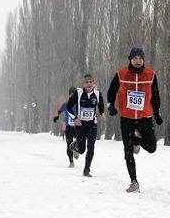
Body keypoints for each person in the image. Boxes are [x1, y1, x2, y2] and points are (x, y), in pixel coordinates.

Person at [107, 46, 163, 193]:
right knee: (127, 151)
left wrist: (157, 114)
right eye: (135, 58)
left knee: (152, 147)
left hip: (145, 116)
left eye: (140, 58)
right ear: (130, 59)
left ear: (143, 59)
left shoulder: (150, 74)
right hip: (127, 117)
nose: (138, 61)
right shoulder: (121, 74)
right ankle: (134, 181)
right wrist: (110, 106)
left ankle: (136, 141)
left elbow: (156, 96)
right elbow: (111, 92)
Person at [66, 74, 106, 177]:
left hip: (92, 124)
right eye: (87, 82)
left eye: (91, 82)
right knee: (82, 149)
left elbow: (101, 106)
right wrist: (75, 118)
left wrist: (102, 113)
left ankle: (87, 169)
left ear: (93, 84)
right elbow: (69, 107)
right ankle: (75, 146)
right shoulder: (78, 94)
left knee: (91, 147)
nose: (89, 84)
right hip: (81, 124)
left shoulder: (97, 94)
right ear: (84, 84)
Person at [53, 86, 77, 168]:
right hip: (68, 126)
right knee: (69, 144)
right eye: (71, 94)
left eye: (74, 94)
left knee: (80, 142)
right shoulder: (66, 103)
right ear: (69, 95)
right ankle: (71, 161)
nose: (73, 96)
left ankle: (77, 150)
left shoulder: (80, 102)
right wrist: (56, 116)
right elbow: (58, 110)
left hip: (78, 127)